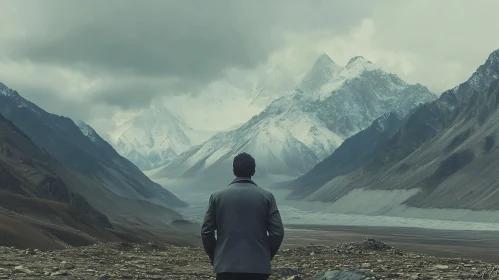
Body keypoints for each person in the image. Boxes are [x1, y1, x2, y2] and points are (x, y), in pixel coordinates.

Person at [201, 152, 285, 280]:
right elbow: (277, 233)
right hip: (258, 268)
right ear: (253, 171)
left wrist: (216, 256)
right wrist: (265, 256)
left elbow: (206, 232)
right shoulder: (267, 197)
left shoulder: (217, 197)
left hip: (226, 266)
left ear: (234, 170)